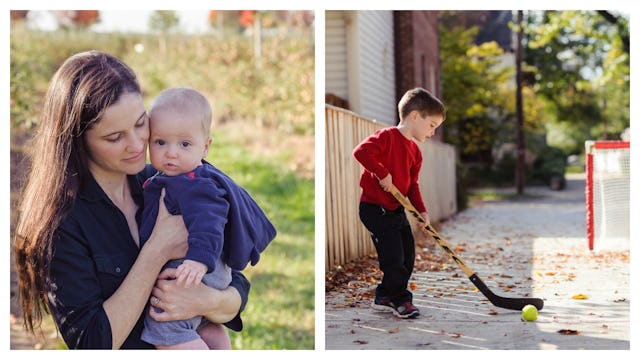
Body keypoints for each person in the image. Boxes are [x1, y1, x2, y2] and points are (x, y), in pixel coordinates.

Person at [12, 50, 250, 349]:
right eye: (115, 137)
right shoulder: (63, 224)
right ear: (78, 141)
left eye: (140, 123)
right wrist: (156, 251)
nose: (138, 144)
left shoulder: (164, 181)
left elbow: (235, 281)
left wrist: (210, 300)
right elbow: (91, 344)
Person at [138, 87, 276, 349]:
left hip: (192, 275)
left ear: (206, 146)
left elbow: (210, 223)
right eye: (160, 142)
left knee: (167, 327)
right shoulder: (176, 178)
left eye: (184, 144)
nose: (171, 153)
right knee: (209, 329)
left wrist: (198, 261)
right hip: (203, 279)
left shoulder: (194, 184)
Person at [352, 87, 445, 319]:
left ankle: (384, 295)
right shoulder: (386, 137)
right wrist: (382, 173)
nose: (433, 132)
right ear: (415, 116)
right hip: (375, 209)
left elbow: (412, 185)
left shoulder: (415, 152)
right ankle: (401, 300)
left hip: (395, 210)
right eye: (432, 125)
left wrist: (421, 211)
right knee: (394, 258)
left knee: (408, 256)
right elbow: (361, 152)